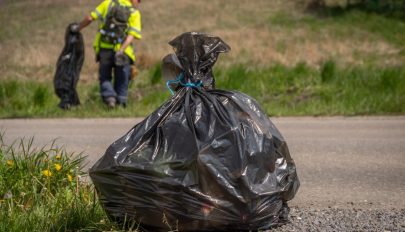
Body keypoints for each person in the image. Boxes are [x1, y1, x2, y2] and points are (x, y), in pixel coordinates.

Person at [75, 0, 142, 108]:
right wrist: (121, 50)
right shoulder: (134, 13)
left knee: (105, 77)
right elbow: (131, 35)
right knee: (122, 78)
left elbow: (89, 18)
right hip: (124, 52)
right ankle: (121, 103)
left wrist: (78, 28)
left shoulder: (108, 3)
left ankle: (110, 98)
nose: (139, 2)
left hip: (104, 49)